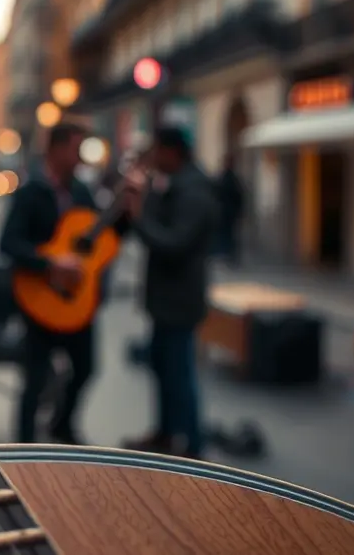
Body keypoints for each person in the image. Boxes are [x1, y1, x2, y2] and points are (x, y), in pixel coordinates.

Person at [0, 122, 121, 445]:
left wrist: (128, 214)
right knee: (35, 379)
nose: (80, 157)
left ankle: (61, 425)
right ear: (54, 149)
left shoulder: (82, 191)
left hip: (74, 302)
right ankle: (24, 447)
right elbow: (7, 243)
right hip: (39, 299)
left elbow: (99, 239)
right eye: (75, 148)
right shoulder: (30, 192)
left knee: (86, 368)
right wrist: (50, 262)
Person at [122, 126, 218, 458]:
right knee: (164, 371)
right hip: (166, 301)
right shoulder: (177, 185)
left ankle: (193, 448)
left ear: (172, 151)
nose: (154, 158)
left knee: (180, 376)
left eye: (158, 151)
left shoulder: (193, 192)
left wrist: (138, 217)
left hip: (178, 302)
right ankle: (166, 435)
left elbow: (173, 244)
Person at [213, 153, 244, 266]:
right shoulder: (225, 178)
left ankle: (229, 257)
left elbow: (238, 197)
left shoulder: (231, 179)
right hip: (226, 214)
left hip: (229, 214)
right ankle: (226, 256)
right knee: (226, 236)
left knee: (230, 236)